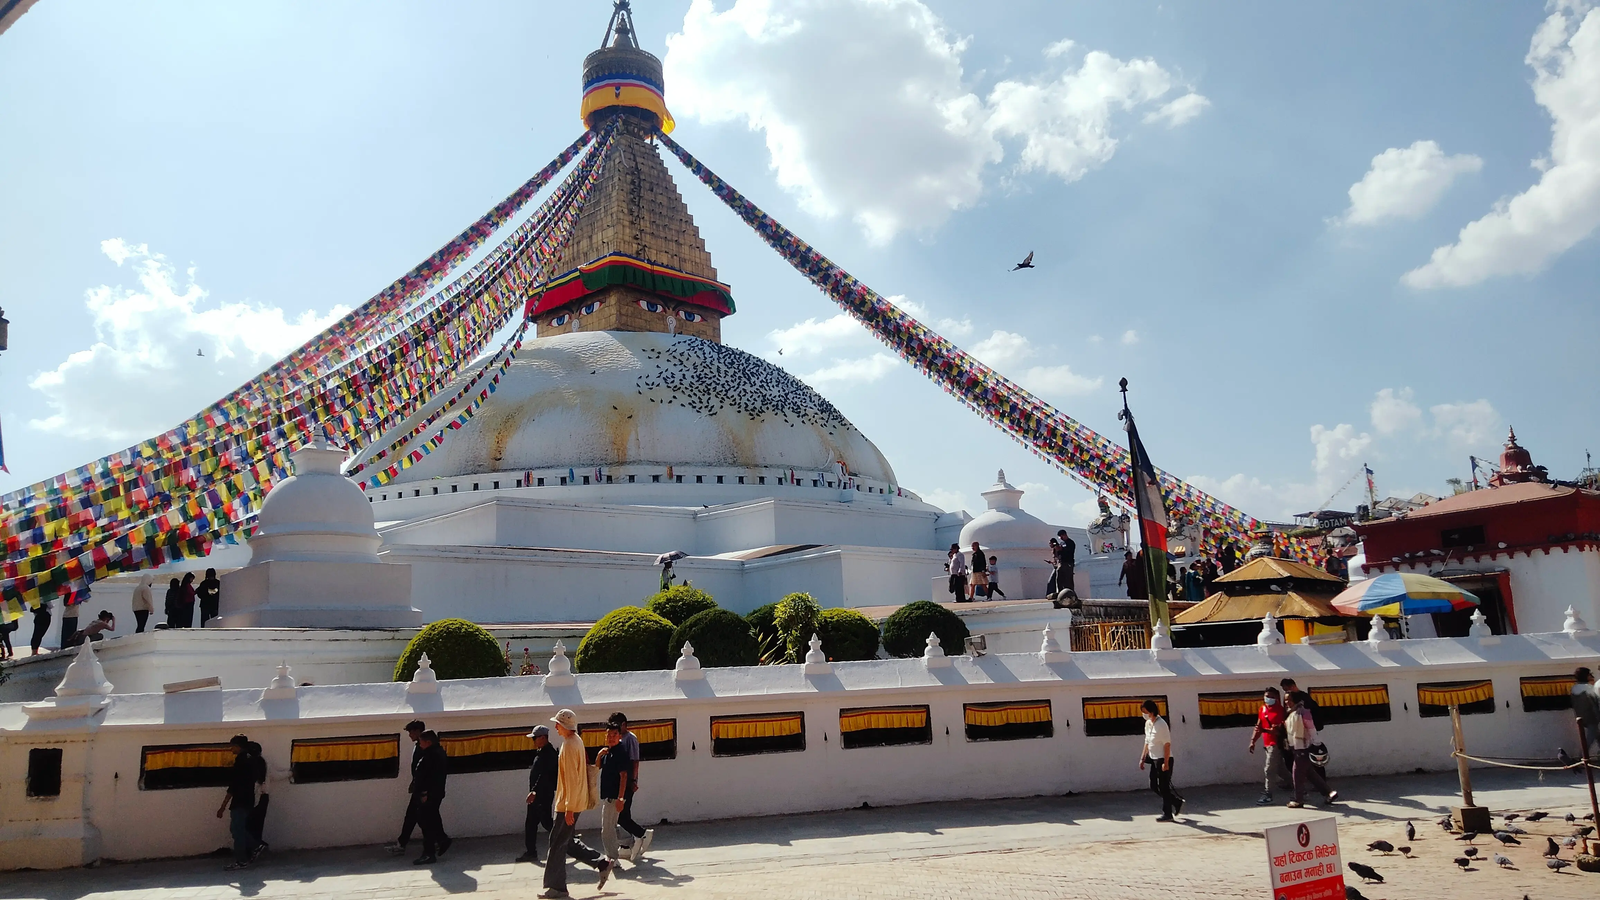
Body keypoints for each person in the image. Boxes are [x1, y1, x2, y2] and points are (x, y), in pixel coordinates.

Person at [543, 708, 613, 898]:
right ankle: (601, 863)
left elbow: (573, 780)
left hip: (568, 804)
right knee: (565, 841)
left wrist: (569, 809)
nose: (556, 727)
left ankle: (558, 888)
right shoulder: (574, 742)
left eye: (557, 724)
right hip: (569, 802)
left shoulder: (570, 745)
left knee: (557, 843)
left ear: (564, 725)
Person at [608, 711, 652, 861]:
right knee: (624, 815)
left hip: (627, 782)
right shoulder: (618, 739)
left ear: (624, 725)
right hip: (619, 782)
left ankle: (642, 834)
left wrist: (633, 781)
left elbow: (634, 761)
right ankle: (626, 846)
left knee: (621, 815)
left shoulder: (630, 739)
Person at [1283, 692, 1337, 808]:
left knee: (1297, 774)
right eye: (1286, 700)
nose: (1287, 702)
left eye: (1289, 700)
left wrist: (1316, 744)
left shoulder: (1303, 712)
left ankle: (1298, 800)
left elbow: (1311, 729)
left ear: (1296, 700)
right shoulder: (1291, 713)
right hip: (1296, 747)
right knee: (1310, 773)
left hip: (1303, 747)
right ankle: (1329, 792)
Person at [1137, 699, 1183, 822]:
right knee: (1154, 785)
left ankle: (1167, 813)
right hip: (1153, 758)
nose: (1144, 714)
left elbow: (1167, 745)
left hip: (1163, 758)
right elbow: (1147, 742)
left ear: (1152, 711)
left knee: (1164, 786)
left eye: (1145, 712)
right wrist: (1142, 758)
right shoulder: (1148, 724)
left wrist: (1166, 763)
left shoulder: (1161, 725)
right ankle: (1175, 802)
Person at [216, 735, 257, 870]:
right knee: (237, 829)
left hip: (239, 800)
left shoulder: (240, 762)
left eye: (233, 746)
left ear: (238, 747)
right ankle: (255, 846)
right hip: (249, 799)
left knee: (237, 831)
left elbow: (233, 786)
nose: (231, 748)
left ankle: (241, 860)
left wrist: (223, 806)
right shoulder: (251, 759)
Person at [1248, 686, 1294, 804]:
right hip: (1267, 744)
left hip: (1276, 744)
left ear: (1277, 698)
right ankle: (1297, 785)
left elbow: (1278, 731)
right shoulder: (1262, 709)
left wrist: (1266, 730)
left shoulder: (1280, 711)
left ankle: (1268, 794)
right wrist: (1253, 741)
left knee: (1269, 769)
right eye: (1267, 696)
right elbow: (1258, 726)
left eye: (1271, 697)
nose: (1268, 699)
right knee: (1280, 769)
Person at [410, 730, 451, 865]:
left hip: (429, 795)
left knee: (426, 823)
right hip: (434, 793)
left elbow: (430, 777)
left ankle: (429, 853)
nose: (420, 745)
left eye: (421, 742)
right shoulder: (435, 753)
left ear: (428, 742)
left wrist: (424, 793)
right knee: (432, 819)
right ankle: (442, 839)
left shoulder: (432, 755)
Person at [518, 725, 558, 863]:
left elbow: (544, 776)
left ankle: (569, 841)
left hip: (542, 795)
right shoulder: (542, 752)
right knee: (531, 823)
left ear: (542, 738)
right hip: (538, 795)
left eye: (535, 738)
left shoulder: (549, 754)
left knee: (546, 822)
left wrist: (534, 791)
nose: (533, 741)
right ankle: (531, 851)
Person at [388, 721, 428, 855]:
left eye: (411, 732)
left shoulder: (425, 748)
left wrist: (423, 789)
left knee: (416, 817)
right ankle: (438, 840)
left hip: (423, 789)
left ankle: (439, 840)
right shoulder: (419, 746)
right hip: (418, 787)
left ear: (418, 731)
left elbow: (426, 771)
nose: (410, 735)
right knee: (416, 817)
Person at [595, 725, 632, 862]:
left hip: (615, 797)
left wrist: (620, 798)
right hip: (608, 796)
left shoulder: (620, 753)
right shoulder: (608, 753)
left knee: (607, 829)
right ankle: (627, 844)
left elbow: (623, 776)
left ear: (619, 736)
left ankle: (612, 858)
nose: (611, 738)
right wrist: (599, 755)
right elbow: (598, 766)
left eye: (614, 735)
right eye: (608, 735)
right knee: (612, 827)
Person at [245, 740, 270, 860]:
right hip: (264, 798)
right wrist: (290, 773)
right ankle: (257, 848)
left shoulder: (250, 765)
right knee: (258, 826)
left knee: (247, 826)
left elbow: (254, 788)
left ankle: (255, 848)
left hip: (255, 799)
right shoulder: (263, 763)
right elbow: (274, 775)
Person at [1572, 666, 1600, 757]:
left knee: (1598, 737)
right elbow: (1595, 704)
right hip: (1592, 718)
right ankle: (1581, 758)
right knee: (1589, 740)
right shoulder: (1589, 688)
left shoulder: (1574, 688)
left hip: (1581, 717)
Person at [1054, 530, 1077, 597]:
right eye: (1060, 537)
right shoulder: (1062, 543)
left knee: (1068, 579)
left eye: (1062, 536)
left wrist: (1062, 549)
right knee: (1059, 578)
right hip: (1061, 562)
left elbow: (1069, 552)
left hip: (1068, 563)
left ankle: (1071, 594)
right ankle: (1060, 593)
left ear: (1065, 535)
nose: (1061, 538)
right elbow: (1059, 553)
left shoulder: (1070, 543)